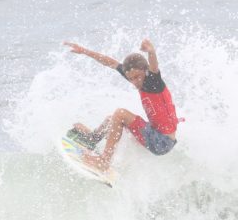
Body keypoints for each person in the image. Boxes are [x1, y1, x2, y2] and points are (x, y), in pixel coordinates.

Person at [63, 39, 180, 171]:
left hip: (162, 142)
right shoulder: (135, 77)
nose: (135, 82)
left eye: (137, 77)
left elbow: (154, 67)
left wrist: (151, 52)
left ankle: (104, 161)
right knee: (112, 119)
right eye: (131, 79)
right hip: (154, 134)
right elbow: (110, 62)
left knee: (120, 114)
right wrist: (85, 51)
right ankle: (93, 138)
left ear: (145, 71)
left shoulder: (153, 82)